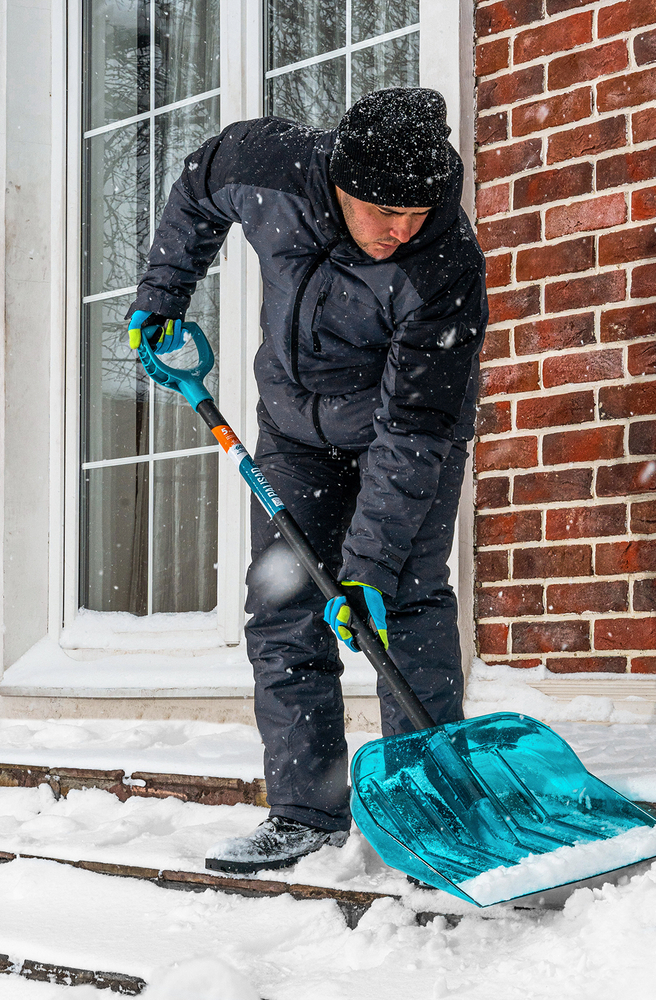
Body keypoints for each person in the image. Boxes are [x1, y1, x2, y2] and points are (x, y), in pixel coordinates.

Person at [126, 88, 488, 873]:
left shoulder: (445, 263)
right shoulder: (269, 166)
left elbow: (414, 432)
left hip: (408, 436)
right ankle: (304, 813)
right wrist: (163, 299)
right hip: (293, 432)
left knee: (403, 600)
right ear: (339, 185)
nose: (402, 229)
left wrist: (366, 572)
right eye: (383, 210)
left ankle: (438, 811)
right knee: (285, 606)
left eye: (418, 211)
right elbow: (195, 188)